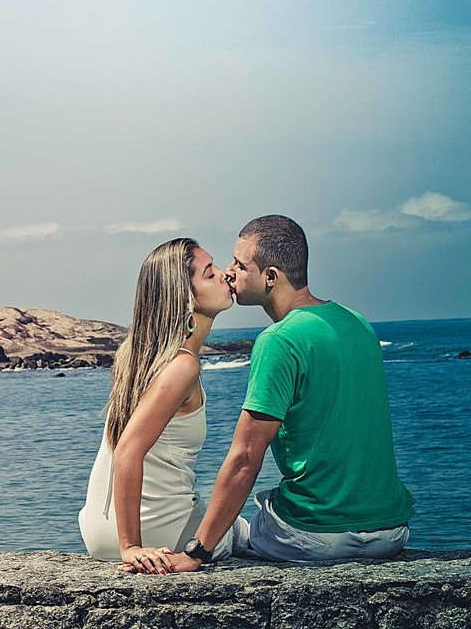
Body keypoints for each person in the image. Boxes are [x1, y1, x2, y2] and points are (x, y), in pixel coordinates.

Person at [149, 215, 414, 573]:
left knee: (235, 532)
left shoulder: (278, 340)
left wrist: (198, 552)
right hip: (392, 531)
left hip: (316, 534)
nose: (229, 273)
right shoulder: (358, 323)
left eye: (240, 265)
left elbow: (245, 459)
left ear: (271, 277)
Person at [78, 238, 249, 574]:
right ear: (186, 297)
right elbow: (128, 449)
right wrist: (131, 547)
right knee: (250, 530)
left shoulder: (137, 356)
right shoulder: (182, 366)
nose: (225, 276)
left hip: (98, 530)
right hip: (158, 532)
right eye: (210, 273)